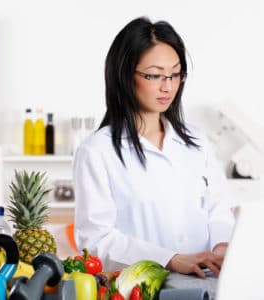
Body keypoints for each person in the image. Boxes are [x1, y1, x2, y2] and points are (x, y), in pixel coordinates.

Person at [73, 16, 235, 277]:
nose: (168, 86)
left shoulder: (196, 142)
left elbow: (219, 211)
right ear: (125, 75)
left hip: (205, 283)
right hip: (142, 289)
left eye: (175, 74)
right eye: (155, 75)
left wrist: (221, 247)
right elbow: (96, 240)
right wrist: (169, 259)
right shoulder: (96, 152)